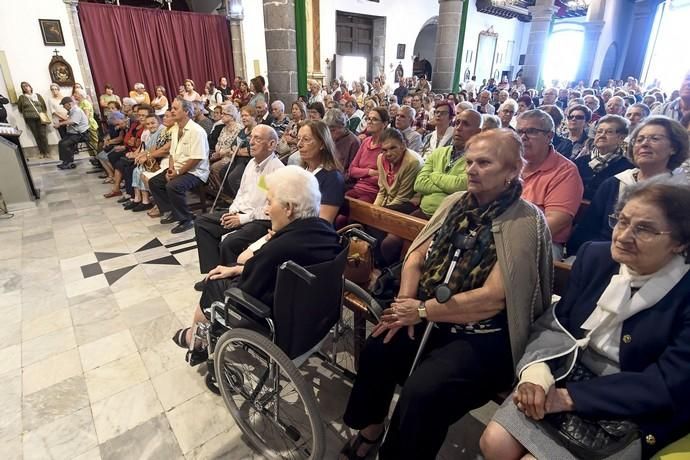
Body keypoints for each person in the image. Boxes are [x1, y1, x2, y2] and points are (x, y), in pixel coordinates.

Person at [340, 128, 553, 460]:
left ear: (512, 170)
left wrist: (422, 311)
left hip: (483, 335)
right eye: (469, 161)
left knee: (424, 391)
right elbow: (415, 257)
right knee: (378, 349)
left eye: (484, 162)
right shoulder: (455, 202)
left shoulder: (525, 220)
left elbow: (494, 297)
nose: (471, 169)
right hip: (429, 315)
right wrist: (405, 305)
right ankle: (371, 431)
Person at [481, 179, 690, 460]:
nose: (623, 236)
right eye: (622, 221)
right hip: (568, 370)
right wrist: (536, 373)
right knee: (494, 443)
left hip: (633, 402)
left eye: (644, 229)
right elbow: (559, 322)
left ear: (680, 243)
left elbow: (668, 384)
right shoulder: (596, 256)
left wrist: (570, 398)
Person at [174, 166, 343, 358]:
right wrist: (238, 269)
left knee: (214, 280)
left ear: (288, 208)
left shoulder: (279, 248)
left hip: (280, 326)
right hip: (317, 316)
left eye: (270, 202)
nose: (266, 210)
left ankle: (195, 339)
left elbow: (246, 287)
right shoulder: (327, 232)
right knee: (230, 269)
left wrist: (261, 249)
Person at [568, 116, 689, 253]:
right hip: (605, 256)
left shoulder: (681, 193)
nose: (644, 144)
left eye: (654, 139)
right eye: (639, 139)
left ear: (674, 148)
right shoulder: (614, 183)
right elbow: (586, 230)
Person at [193, 124, 285, 287]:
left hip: (261, 220)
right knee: (203, 223)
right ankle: (214, 272)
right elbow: (241, 193)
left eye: (257, 139)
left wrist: (242, 219)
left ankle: (229, 281)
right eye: (251, 138)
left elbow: (269, 209)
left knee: (230, 242)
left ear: (271, 144)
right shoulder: (251, 163)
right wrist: (233, 210)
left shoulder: (277, 171)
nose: (251, 142)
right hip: (241, 212)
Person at [517, 109, 584, 260]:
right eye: (519, 131)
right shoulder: (508, 162)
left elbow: (554, 223)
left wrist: (510, 240)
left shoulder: (565, 171)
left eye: (531, 131)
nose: (523, 137)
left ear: (549, 136)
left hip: (544, 242)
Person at [149, 97, 210, 234]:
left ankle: (186, 219)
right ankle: (173, 212)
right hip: (178, 168)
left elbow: (196, 159)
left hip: (195, 172)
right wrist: (171, 169)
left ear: (186, 112)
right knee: (155, 182)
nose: (172, 111)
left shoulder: (196, 131)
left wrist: (178, 172)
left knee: (173, 185)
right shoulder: (176, 128)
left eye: (175, 109)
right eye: (172, 108)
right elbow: (172, 153)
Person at [414, 109, 482, 218]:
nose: (459, 128)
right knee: (390, 231)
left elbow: (461, 185)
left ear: (477, 132)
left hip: (452, 218)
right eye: (457, 123)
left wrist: (433, 175)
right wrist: (448, 187)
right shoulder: (439, 152)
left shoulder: (478, 160)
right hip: (424, 211)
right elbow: (419, 184)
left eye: (466, 124)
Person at [295, 120, 346, 224]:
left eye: (306, 139)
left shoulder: (333, 178)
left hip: (313, 235)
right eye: (298, 139)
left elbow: (323, 221)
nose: (299, 144)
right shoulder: (301, 172)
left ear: (322, 144)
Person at [574, 114, 633, 200]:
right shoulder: (580, 162)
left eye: (609, 132)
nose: (602, 135)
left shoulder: (627, 167)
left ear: (621, 138)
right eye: (599, 131)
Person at [347, 107, 390, 203]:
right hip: (357, 187)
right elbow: (352, 170)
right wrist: (370, 172)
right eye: (368, 118)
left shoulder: (387, 146)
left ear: (384, 124)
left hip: (373, 192)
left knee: (348, 215)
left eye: (374, 119)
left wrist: (361, 174)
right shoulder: (366, 141)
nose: (370, 122)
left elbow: (384, 177)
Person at [207, 104, 242, 196]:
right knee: (205, 164)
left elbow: (234, 146)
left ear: (231, 116)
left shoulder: (238, 128)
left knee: (214, 168)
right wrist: (217, 151)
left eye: (224, 114)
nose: (222, 115)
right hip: (220, 154)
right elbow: (218, 142)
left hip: (230, 156)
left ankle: (226, 193)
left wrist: (221, 153)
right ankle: (219, 191)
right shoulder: (224, 128)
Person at [16, 81, 49, 157]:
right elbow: (20, 108)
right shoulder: (22, 97)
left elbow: (43, 106)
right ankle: (41, 152)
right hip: (30, 119)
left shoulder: (37, 96)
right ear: (22, 89)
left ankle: (47, 152)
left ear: (30, 87)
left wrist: (43, 114)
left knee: (43, 135)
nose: (25, 87)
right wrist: (28, 113)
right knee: (36, 135)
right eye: (23, 86)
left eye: (27, 85)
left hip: (41, 118)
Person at [55, 96, 89, 169]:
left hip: (80, 134)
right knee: (61, 142)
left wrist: (60, 124)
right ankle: (65, 161)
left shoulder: (77, 111)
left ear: (68, 104)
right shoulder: (72, 111)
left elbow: (73, 121)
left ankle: (69, 162)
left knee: (65, 144)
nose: (64, 107)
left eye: (64, 105)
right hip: (73, 133)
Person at [324, 108, 360, 175]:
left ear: (343, 126)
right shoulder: (328, 138)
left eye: (332, 130)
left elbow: (351, 171)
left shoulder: (353, 142)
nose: (329, 134)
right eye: (327, 130)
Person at [73, 89, 99, 157]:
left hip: (89, 125)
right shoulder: (80, 103)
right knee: (89, 142)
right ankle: (94, 157)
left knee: (94, 142)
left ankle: (99, 157)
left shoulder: (85, 102)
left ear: (81, 95)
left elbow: (86, 116)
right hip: (85, 125)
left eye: (76, 93)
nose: (74, 94)